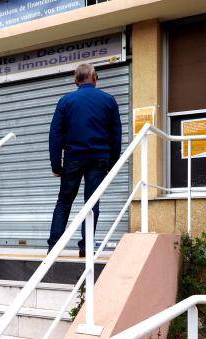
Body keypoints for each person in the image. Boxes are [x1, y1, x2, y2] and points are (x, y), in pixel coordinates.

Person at [47, 63, 121, 257]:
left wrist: (56, 164)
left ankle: (54, 247)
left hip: (73, 158)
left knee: (64, 201)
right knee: (92, 203)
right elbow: (116, 135)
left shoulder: (66, 101)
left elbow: (55, 134)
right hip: (99, 159)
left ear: (75, 81)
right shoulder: (108, 100)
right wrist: (112, 164)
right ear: (94, 77)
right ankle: (86, 247)